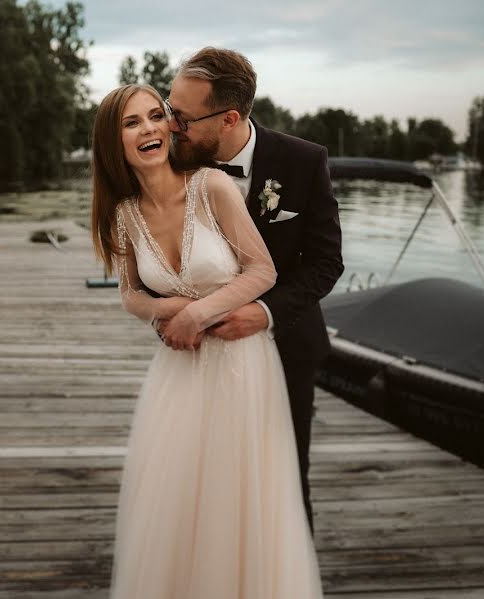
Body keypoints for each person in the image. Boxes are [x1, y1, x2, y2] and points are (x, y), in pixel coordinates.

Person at [91, 83, 322, 598]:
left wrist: (197, 312)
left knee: (236, 497)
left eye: (156, 116)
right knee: (177, 499)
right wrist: (165, 310)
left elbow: (262, 271)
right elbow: (129, 294)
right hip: (178, 371)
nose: (150, 128)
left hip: (240, 364)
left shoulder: (211, 186)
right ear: (113, 140)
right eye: (132, 123)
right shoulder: (123, 214)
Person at [166, 48, 344, 530]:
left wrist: (262, 313)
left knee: (285, 478)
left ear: (228, 118)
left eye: (181, 117)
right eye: (168, 109)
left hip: (285, 348)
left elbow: (327, 263)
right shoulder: (168, 164)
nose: (170, 126)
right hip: (199, 353)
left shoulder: (304, 161)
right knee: (201, 479)